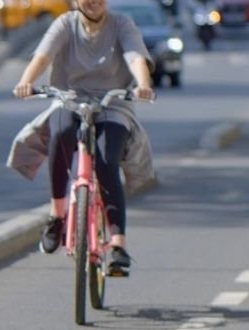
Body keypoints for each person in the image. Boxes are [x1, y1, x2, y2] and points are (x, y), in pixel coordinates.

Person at [12, 0, 154, 273]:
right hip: (70, 100)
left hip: (113, 103)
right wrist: (26, 81)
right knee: (60, 134)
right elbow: (43, 55)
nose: (93, 1)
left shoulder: (121, 23)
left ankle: (117, 244)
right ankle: (57, 215)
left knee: (106, 160)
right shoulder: (65, 24)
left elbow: (136, 56)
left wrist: (144, 85)